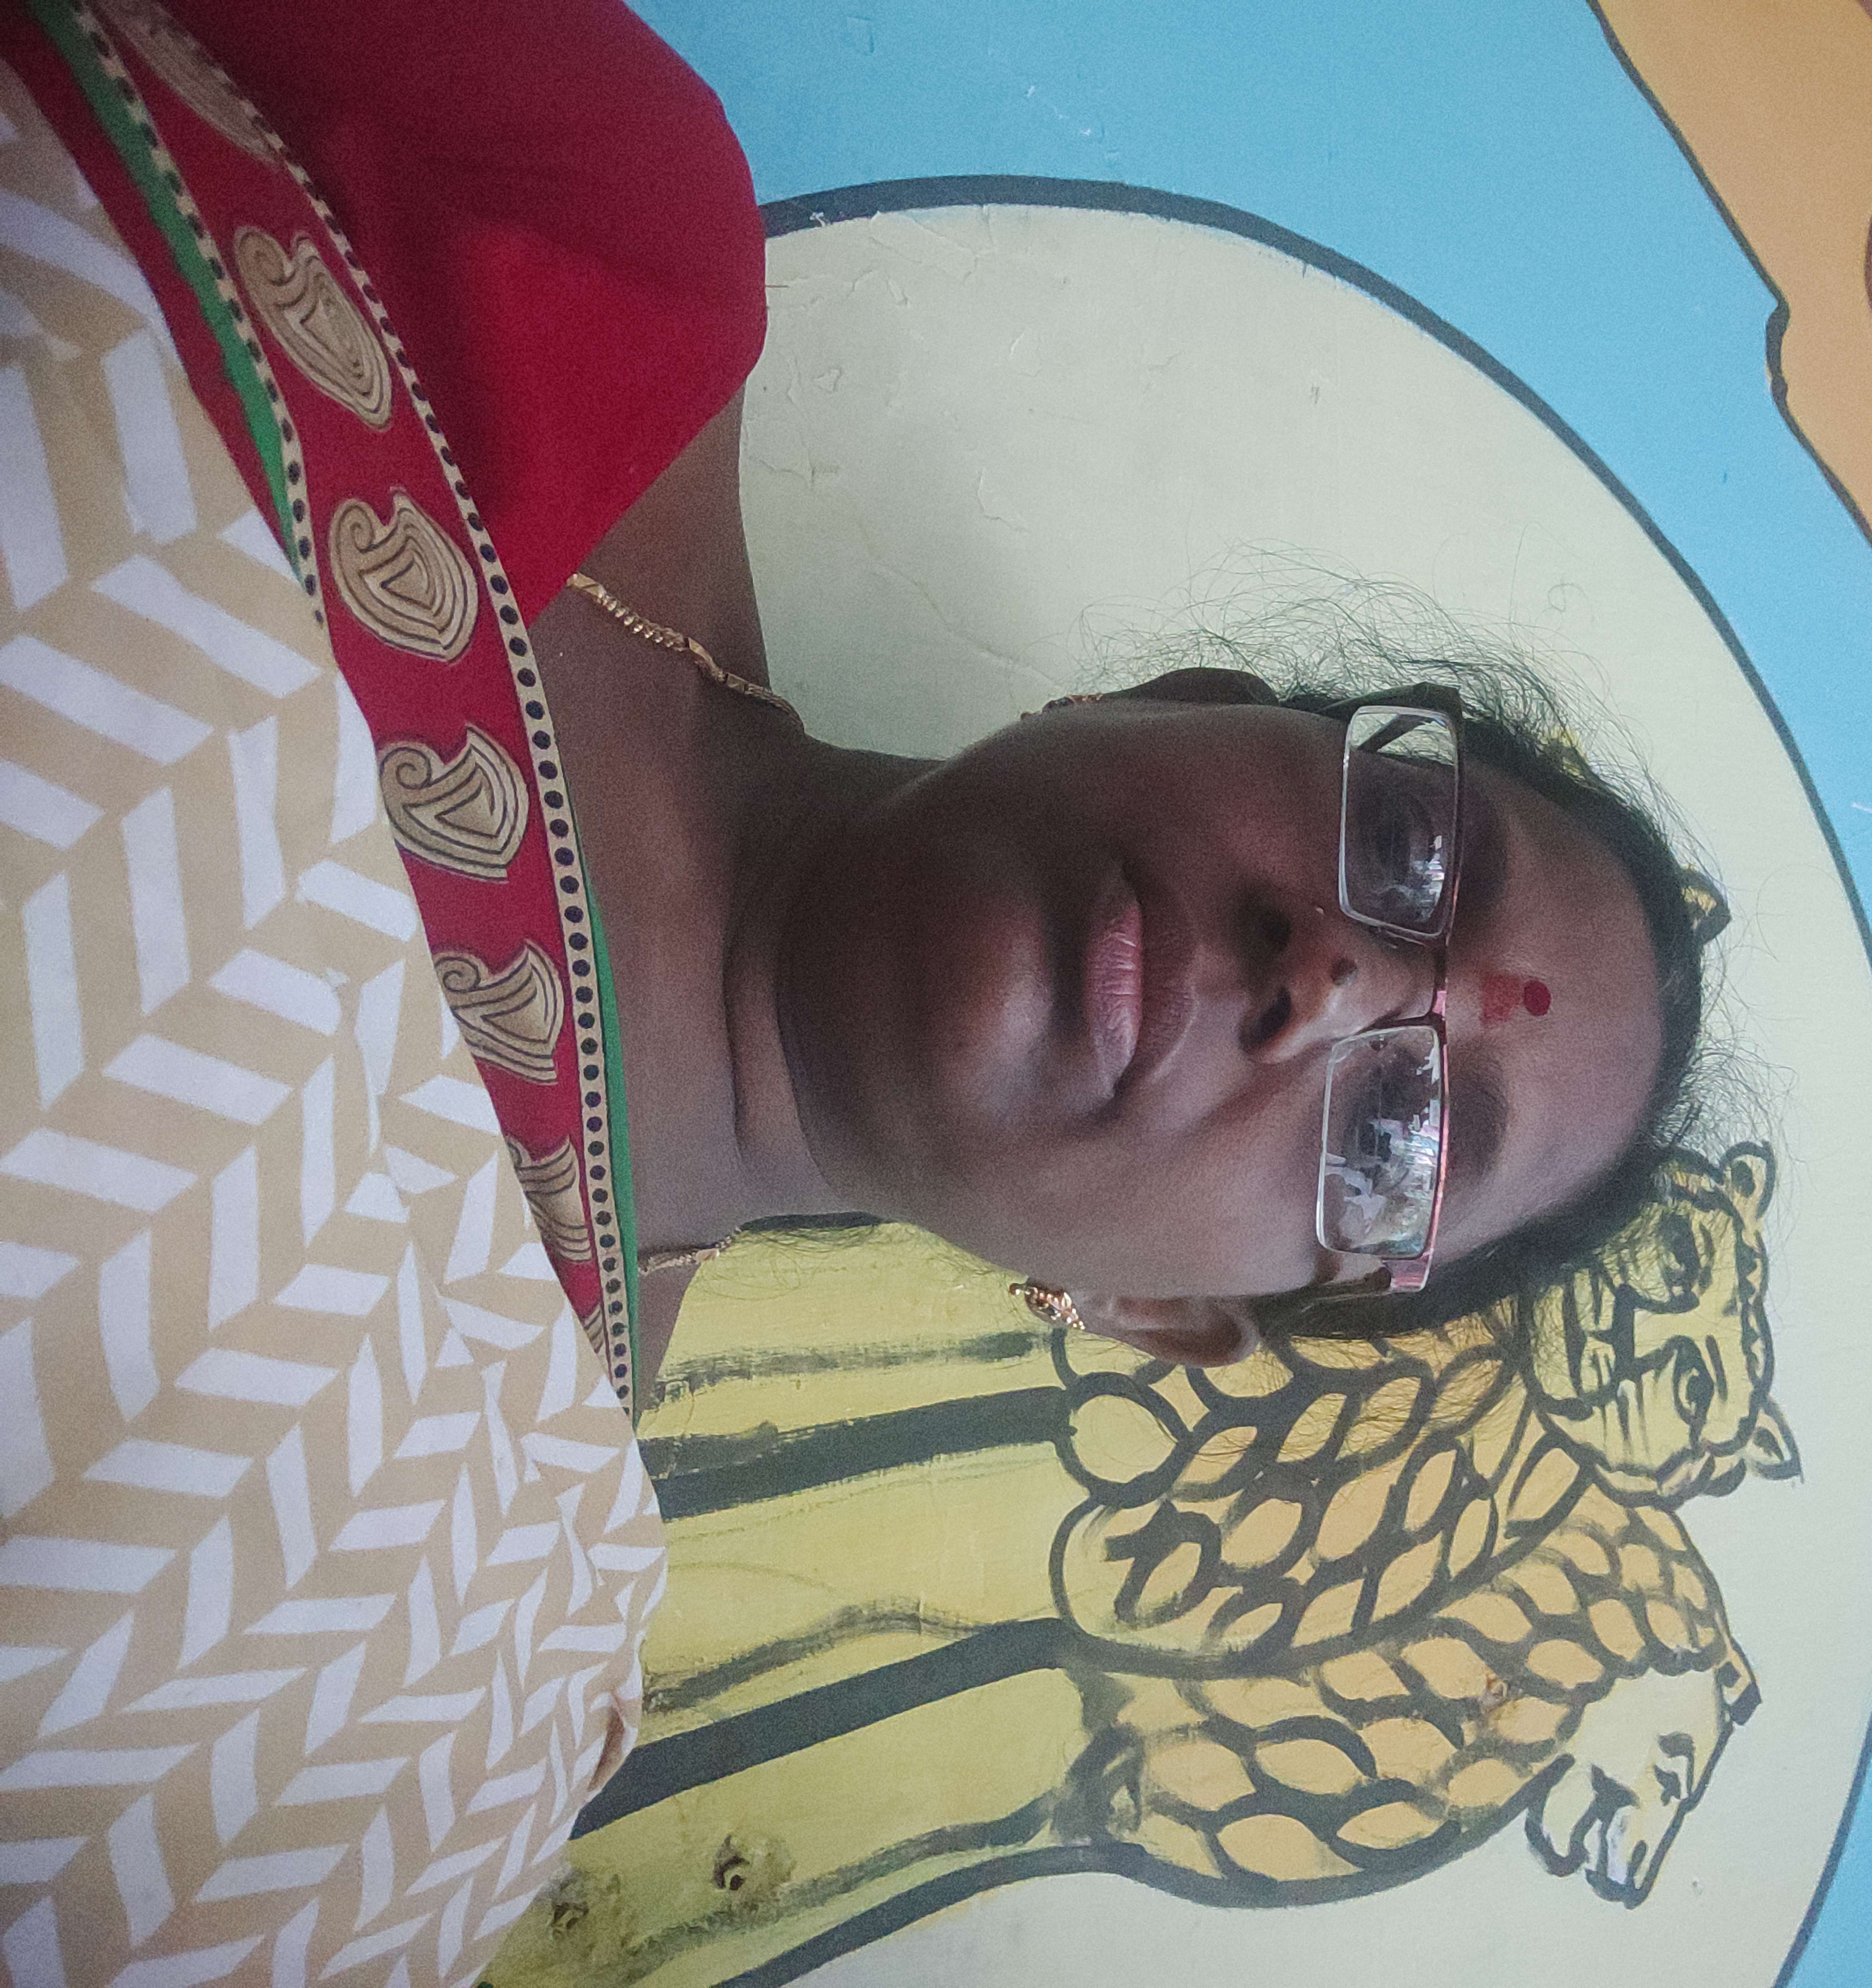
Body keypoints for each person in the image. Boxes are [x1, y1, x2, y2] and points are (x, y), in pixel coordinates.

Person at [0, 5, 1709, 1976]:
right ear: (1184, 703)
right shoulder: (597, 230)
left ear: (1160, 1312)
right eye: (1409, 849)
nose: (1332, 983)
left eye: (1405, 1142)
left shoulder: (443, 1707)